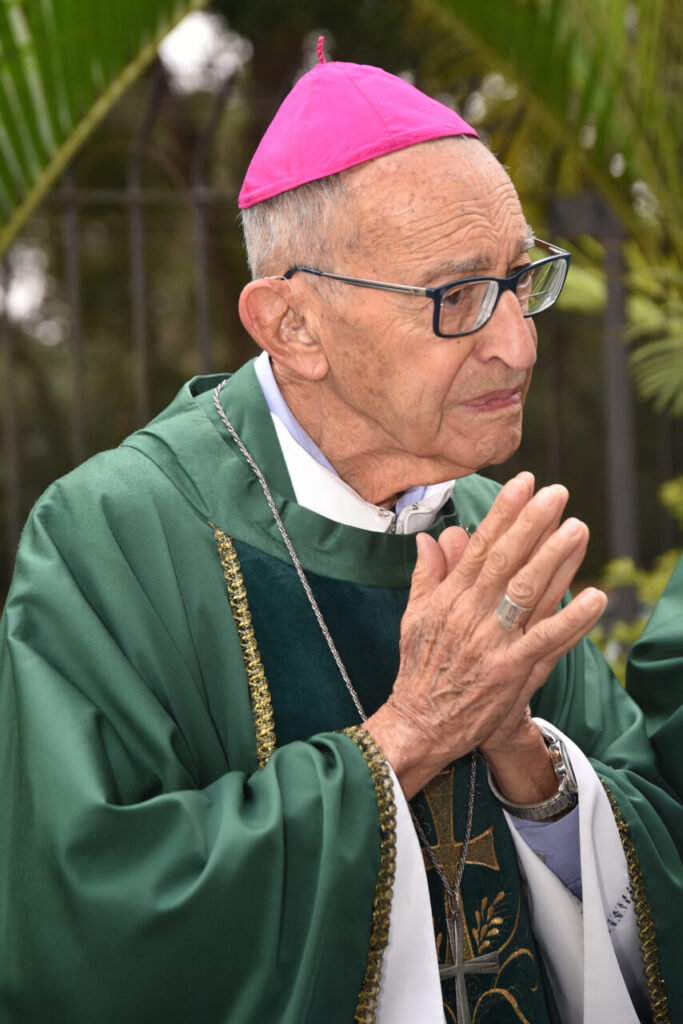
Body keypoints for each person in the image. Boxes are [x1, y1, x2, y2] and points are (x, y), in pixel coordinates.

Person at [0, 44, 680, 1024]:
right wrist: (406, 737)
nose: (516, 342)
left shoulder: (489, 528)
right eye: (455, 298)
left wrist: (527, 763)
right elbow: (82, 924)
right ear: (292, 325)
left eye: (517, 278)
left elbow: (656, 846)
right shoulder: (111, 541)